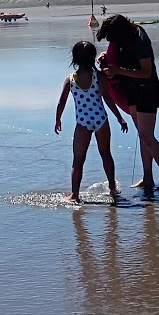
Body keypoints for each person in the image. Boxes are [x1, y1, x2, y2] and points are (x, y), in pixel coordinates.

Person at [98, 14, 159, 193]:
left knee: (148, 136)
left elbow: (146, 72)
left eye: (112, 38)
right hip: (131, 90)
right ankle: (148, 178)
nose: (111, 41)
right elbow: (120, 58)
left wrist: (119, 70)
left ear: (121, 31)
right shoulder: (123, 37)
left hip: (147, 90)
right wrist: (106, 58)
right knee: (142, 135)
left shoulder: (140, 40)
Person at [54, 40, 124, 203]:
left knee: (78, 160)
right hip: (101, 119)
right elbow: (107, 98)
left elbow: (61, 102)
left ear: (75, 59)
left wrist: (58, 119)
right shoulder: (98, 76)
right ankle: (112, 188)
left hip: (83, 123)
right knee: (106, 155)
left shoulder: (71, 79)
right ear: (92, 58)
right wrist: (119, 117)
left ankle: (75, 194)